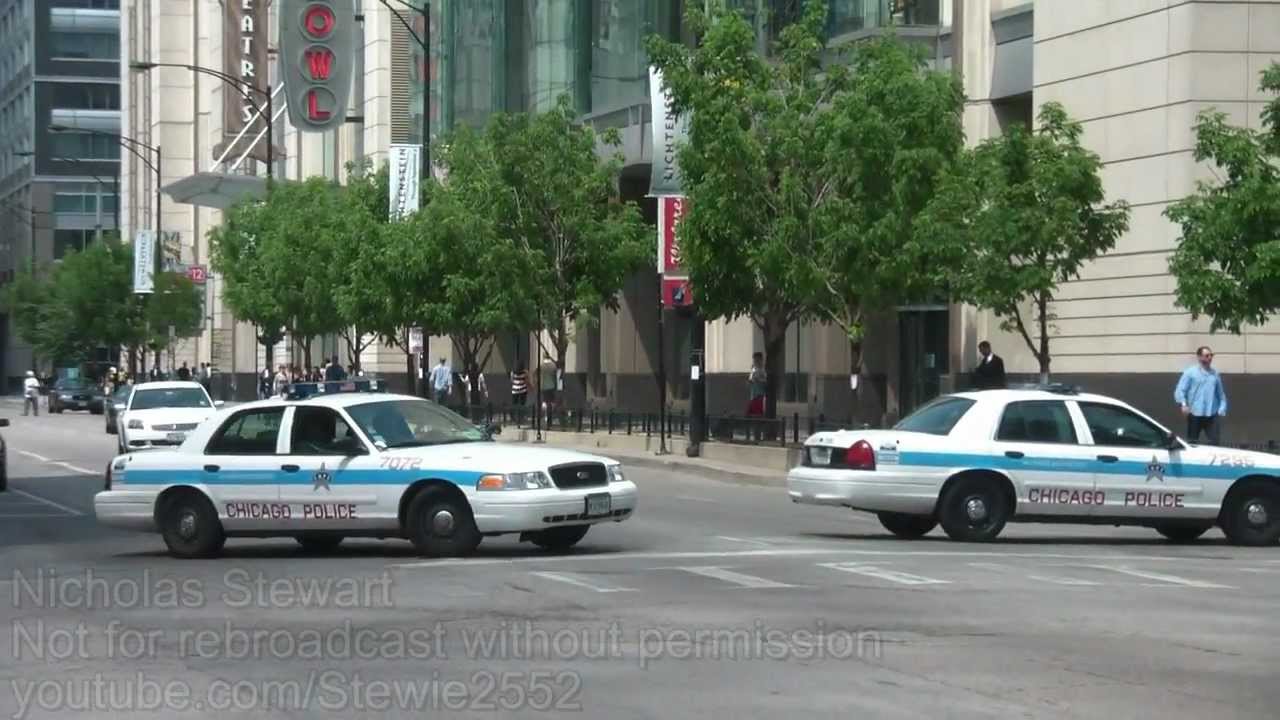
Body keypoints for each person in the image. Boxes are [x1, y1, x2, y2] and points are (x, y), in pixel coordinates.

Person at [1175, 345, 1227, 445]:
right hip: (1195, 414)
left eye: (1211, 355)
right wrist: (1183, 405)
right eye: (1207, 355)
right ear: (1199, 357)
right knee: (1192, 443)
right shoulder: (1190, 372)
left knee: (1215, 444)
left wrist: (1221, 409)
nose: (1210, 358)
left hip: (1211, 414)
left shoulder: (1215, 374)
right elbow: (1180, 389)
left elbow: (1221, 394)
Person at [747, 352, 766, 416]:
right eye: (754, 360)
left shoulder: (763, 370)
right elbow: (750, 379)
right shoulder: (753, 369)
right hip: (753, 394)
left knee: (757, 412)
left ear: (761, 360)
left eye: (757, 360)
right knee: (750, 412)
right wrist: (750, 381)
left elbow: (766, 381)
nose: (756, 362)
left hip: (760, 394)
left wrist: (759, 380)